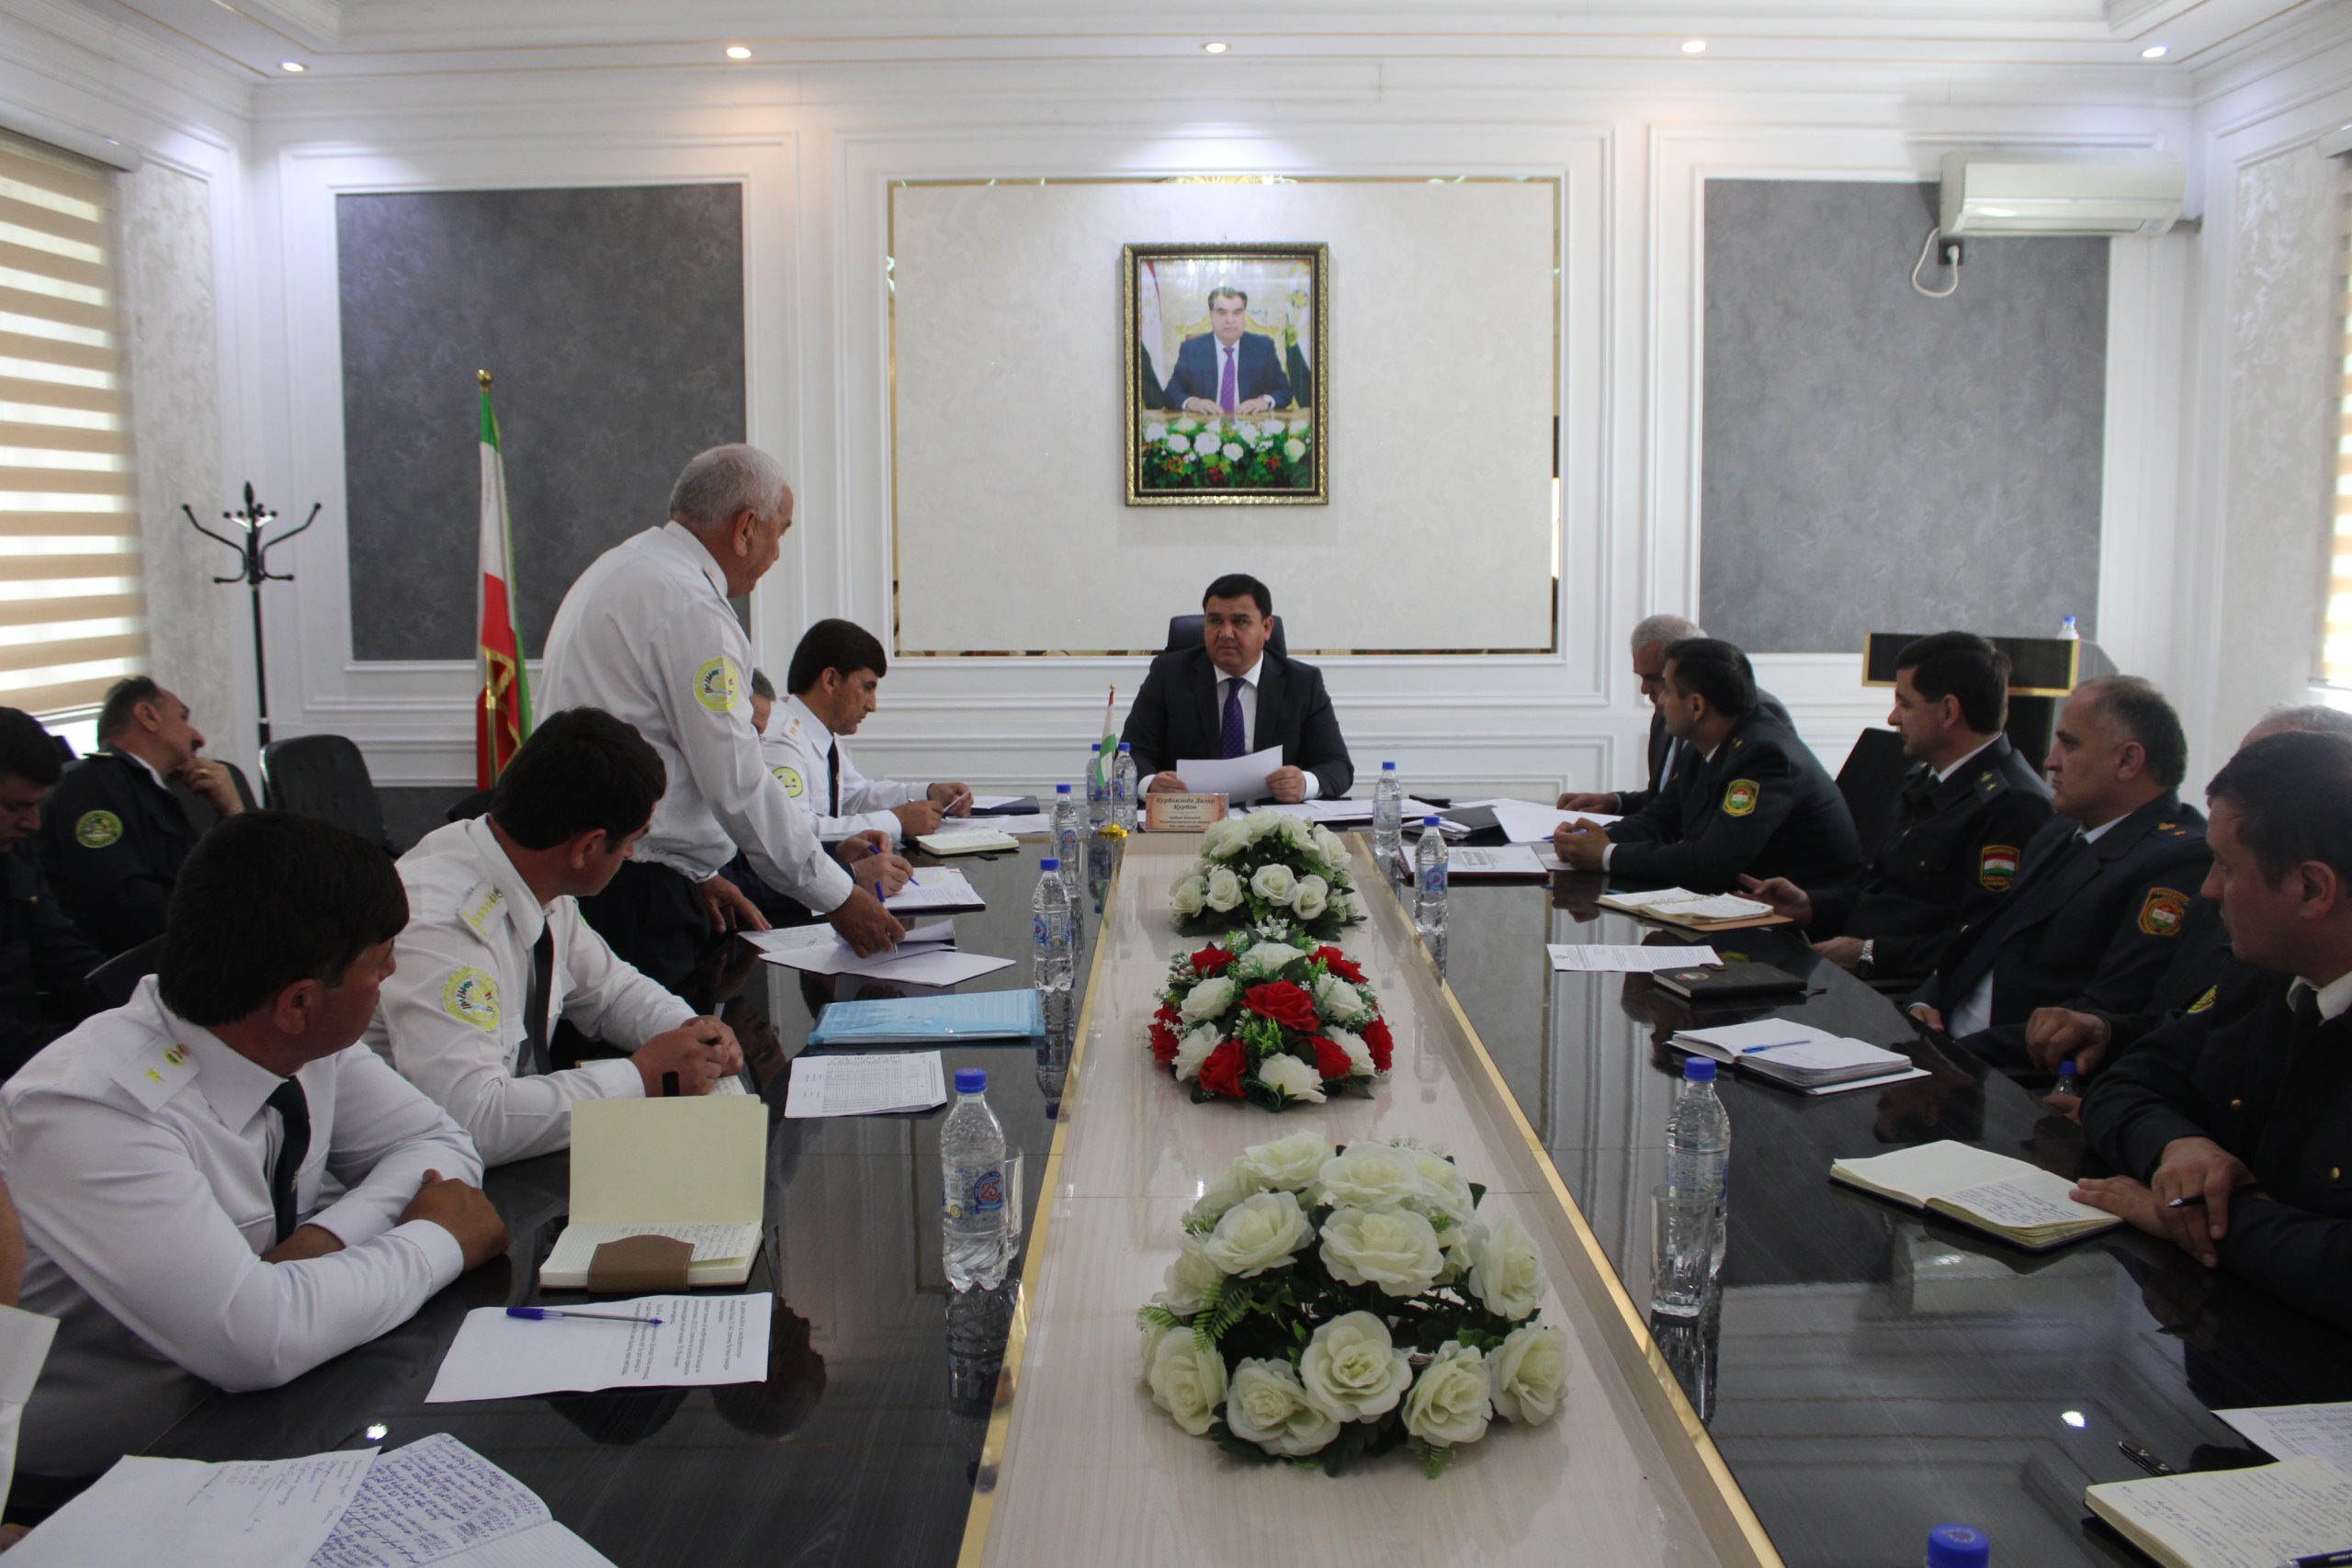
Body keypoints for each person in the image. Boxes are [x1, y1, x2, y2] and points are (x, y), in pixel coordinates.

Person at [0, 811, 506, 1480]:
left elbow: (437, 1140)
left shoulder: (295, 1036)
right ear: (298, 1003)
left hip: (272, 1417)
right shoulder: (90, 1110)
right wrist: (438, 1240)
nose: (392, 969)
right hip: (96, 1479)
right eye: (380, 960)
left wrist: (327, 1237)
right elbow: (255, 1338)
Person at [540, 444, 904, 997]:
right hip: (633, 892)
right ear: (746, 528)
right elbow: (737, 782)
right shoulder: (692, 607)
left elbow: (658, 743)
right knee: (662, 1049)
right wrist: (837, 896)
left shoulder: (623, 567)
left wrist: (701, 871)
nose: (777, 553)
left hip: (605, 871)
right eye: (780, 532)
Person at [366, 709, 747, 1167]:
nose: (631, 854)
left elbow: (611, 991)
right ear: (586, 847)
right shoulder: (440, 923)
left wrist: (693, 1032)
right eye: (632, 840)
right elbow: (470, 1119)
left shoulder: (531, 873)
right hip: (405, 1179)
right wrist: (639, 1077)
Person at [2075, 728, 2352, 1327]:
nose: (2208, 889)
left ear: (2311, 889)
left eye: (2227, 867)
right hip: (2227, 1325)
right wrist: (2179, 1146)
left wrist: (2194, 1212)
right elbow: (2126, 1081)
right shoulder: (2267, 975)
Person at [2025, 704, 2352, 1084]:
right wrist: (2109, 1031)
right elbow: (2163, 1049)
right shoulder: (2263, 960)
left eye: (2264, 776)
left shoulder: (2275, 945)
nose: (2209, 888)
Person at [1904, 676, 2209, 1074]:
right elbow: (1984, 938)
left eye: (2070, 744)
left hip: (2008, 1074)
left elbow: (2104, 1009)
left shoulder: (2177, 860)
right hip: (1945, 1041)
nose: (2050, 761)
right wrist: (1924, 1001)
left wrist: (1946, 1056)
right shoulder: (2062, 830)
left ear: (2127, 761)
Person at [1742, 631, 2052, 982]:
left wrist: (1869, 953)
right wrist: (1810, 905)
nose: (1892, 718)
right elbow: (1885, 892)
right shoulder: (1925, 778)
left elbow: (1981, 943)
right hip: (1862, 969)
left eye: (1904, 704)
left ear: (1948, 711)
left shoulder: (2011, 805)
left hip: (1907, 990)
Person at [1552, 637, 1864, 893]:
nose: (1660, 700)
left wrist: (1607, 855)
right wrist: (1594, 838)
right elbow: (1662, 817)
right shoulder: (1709, 743)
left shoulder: (1764, 756)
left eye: (1667, 690)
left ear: (1697, 706)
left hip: (1798, 925)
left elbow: (1712, 862)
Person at [37, 677, 243, 957]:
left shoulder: (158, 793)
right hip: (142, 967)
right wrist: (227, 930)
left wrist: (232, 814)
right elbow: (128, 907)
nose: (198, 738)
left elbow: (212, 880)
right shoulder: (91, 784)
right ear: (148, 716)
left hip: (186, 950)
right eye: (183, 718)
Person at [1123, 574, 1352, 805]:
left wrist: (1305, 783)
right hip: (1189, 819)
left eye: (1240, 622)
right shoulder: (1168, 675)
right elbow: (1131, 754)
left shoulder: (1302, 682)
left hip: (1272, 822)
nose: (1225, 633)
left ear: (1266, 628)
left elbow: (1338, 766)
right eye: (1215, 621)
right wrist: (1151, 785)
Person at [759, 621, 971, 846]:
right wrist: (897, 822)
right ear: (830, 680)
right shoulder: (780, 740)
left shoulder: (816, 731)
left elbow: (855, 796)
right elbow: (796, 832)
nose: (872, 705)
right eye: (867, 688)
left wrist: (929, 793)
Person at [1557, 615, 1791, 817]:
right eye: (1641, 677)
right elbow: (1671, 800)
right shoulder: (1666, 713)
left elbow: (1735, 822)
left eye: (1655, 679)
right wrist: (1616, 803)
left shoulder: (1758, 715)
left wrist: (1609, 850)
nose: (1645, 690)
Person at [0, 710, 99, 1084]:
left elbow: (60, 951)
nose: (33, 823)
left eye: (37, 805)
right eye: (14, 807)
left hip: (31, 1059)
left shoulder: (12, 850)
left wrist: (137, 1007)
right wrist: (88, 1045)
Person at [1161, 287, 1294, 415]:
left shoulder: (1263, 348)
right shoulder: (1192, 349)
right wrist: (1194, 403)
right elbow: (1171, 393)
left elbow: (1284, 391)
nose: (1230, 320)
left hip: (1250, 424)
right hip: (1205, 423)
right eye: (1222, 313)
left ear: (1244, 315)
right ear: (1211, 316)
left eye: (1237, 312)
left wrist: (1264, 402)